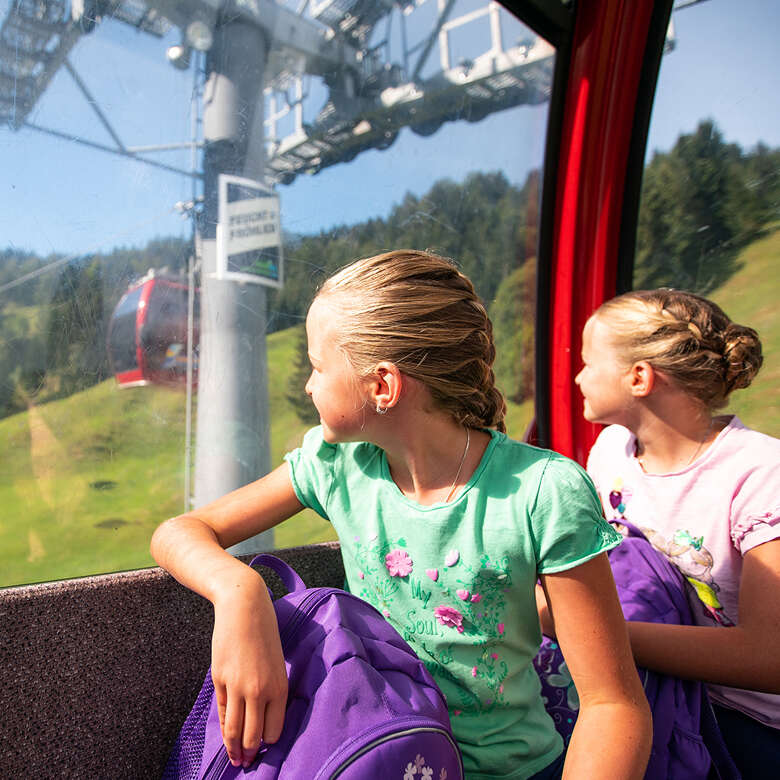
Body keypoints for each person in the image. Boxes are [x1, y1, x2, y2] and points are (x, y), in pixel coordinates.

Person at [151, 250, 652, 779]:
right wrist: (241, 594)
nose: (308, 386)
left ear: (383, 387)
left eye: (318, 367)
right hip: (384, 758)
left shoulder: (543, 492)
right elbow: (181, 532)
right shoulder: (335, 467)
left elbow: (612, 706)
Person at [559, 288, 780, 777]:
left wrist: (595, 635)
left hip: (750, 724)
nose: (578, 377)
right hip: (663, 688)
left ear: (639, 377)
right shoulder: (612, 451)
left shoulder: (760, 475)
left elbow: (770, 658)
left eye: (589, 362)